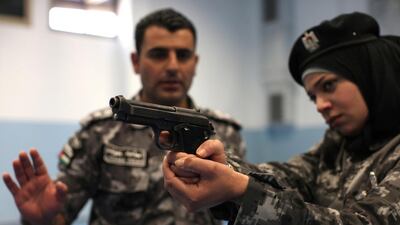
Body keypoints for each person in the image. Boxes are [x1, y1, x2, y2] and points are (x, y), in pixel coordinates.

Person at [2, 8, 246, 225]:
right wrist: (41, 219)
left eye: (182, 55)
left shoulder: (223, 134)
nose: (172, 66)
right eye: (159, 54)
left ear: (195, 63)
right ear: (136, 61)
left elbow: (244, 211)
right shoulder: (100, 132)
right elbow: (58, 213)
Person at [163, 11, 400, 225]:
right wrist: (220, 167)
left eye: (328, 86)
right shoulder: (338, 145)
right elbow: (288, 175)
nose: (320, 105)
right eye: (312, 97)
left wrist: (241, 191)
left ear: (370, 77)